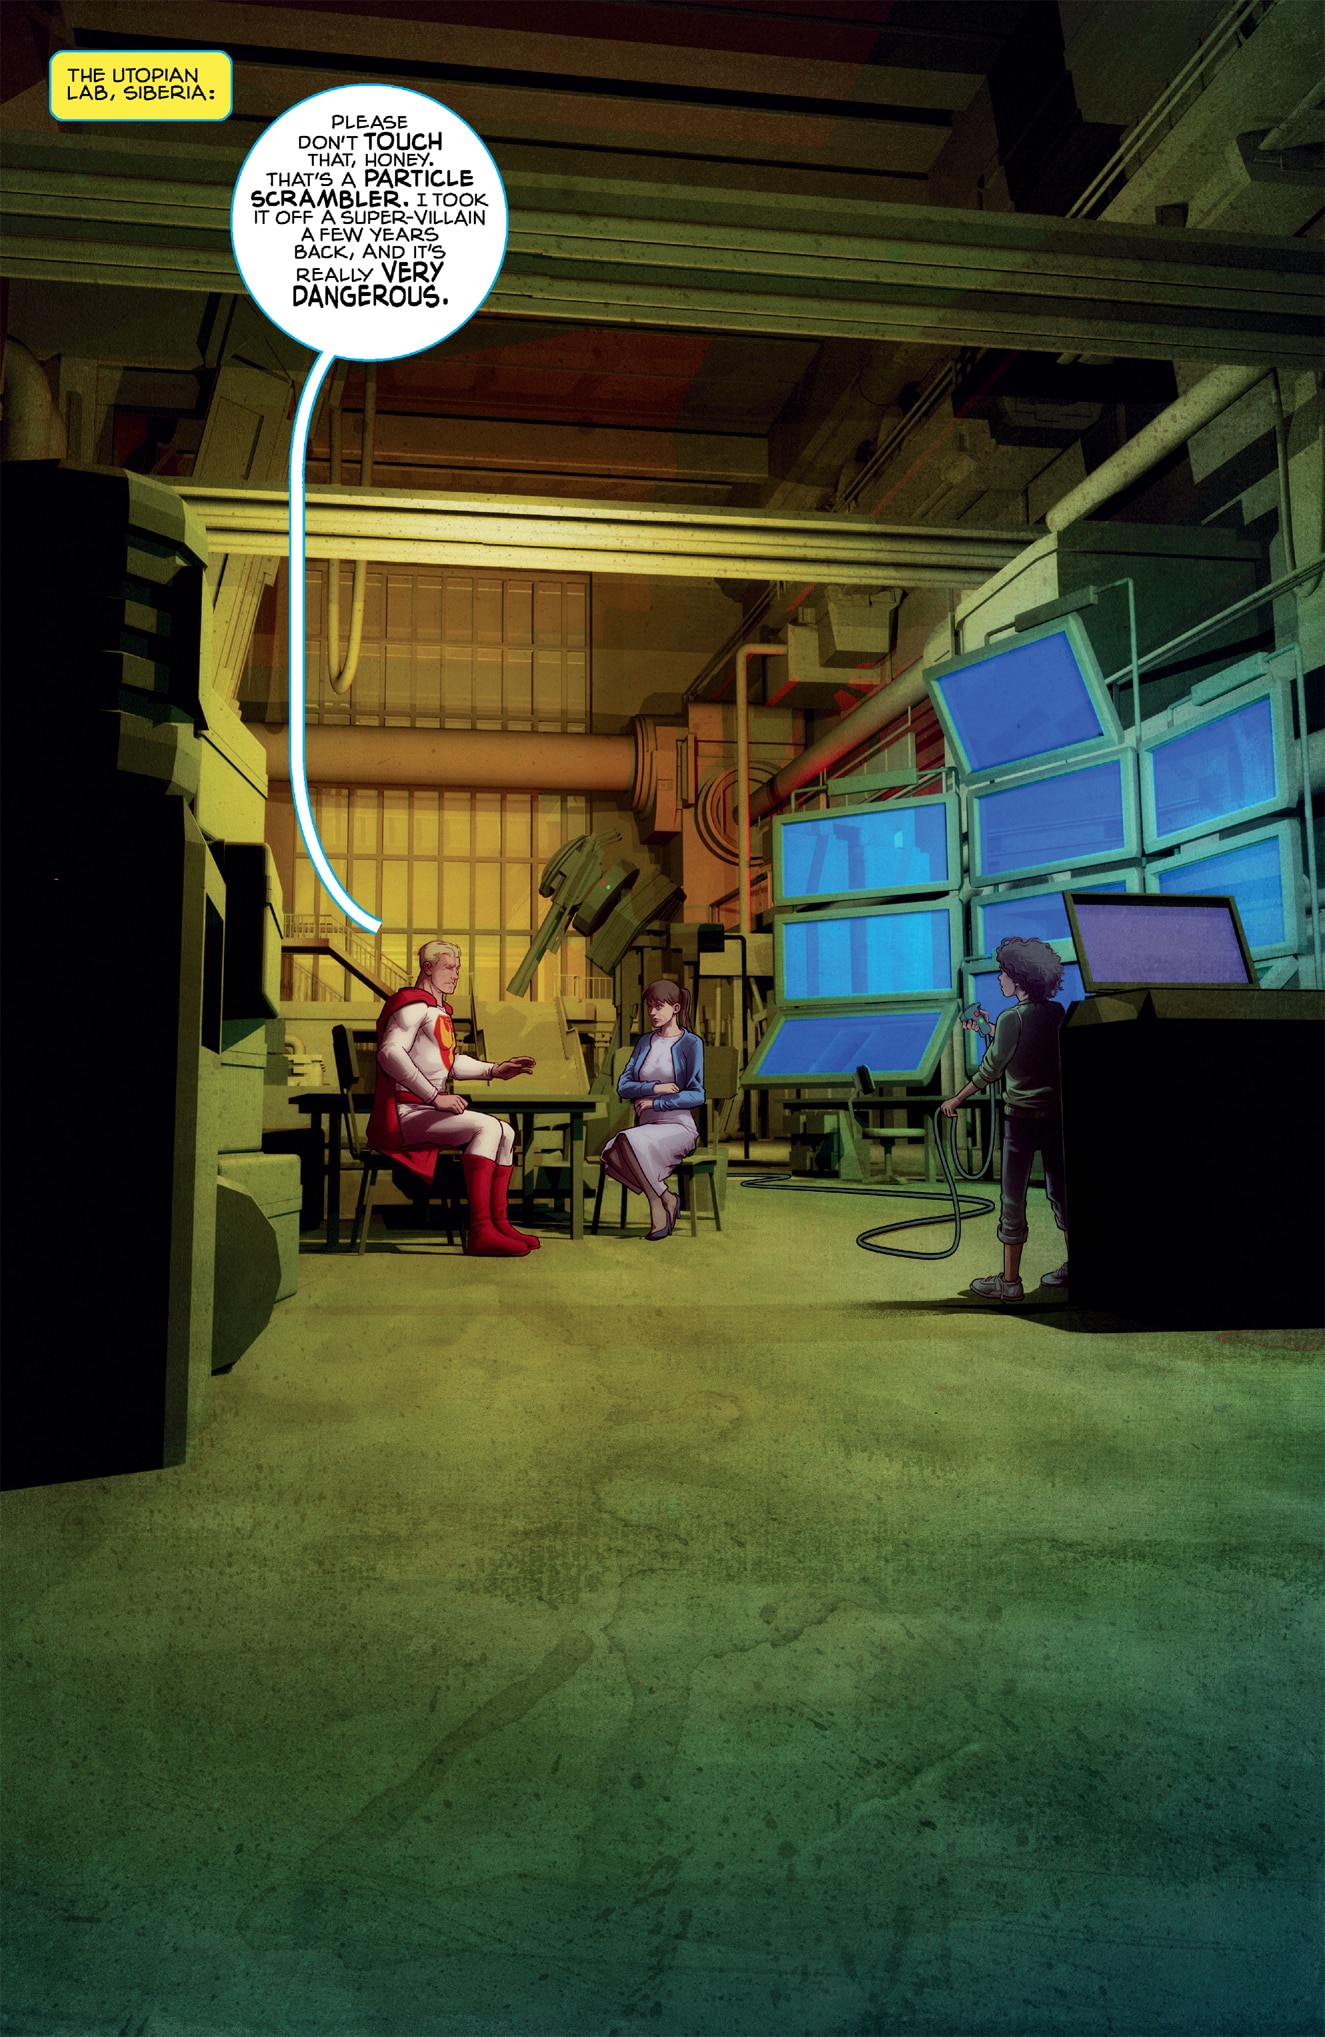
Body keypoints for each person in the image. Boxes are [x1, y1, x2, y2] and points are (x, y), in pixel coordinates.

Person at [367, 938, 539, 1258]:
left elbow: (448, 1064)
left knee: (506, 1131)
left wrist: (494, 1070)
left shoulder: (437, 1010)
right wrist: (435, 1097)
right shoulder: (412, 1007)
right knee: (488, 1128)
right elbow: (389, 1053)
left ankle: (499, 1224)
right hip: (406, 1113)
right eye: (448, 968)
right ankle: (481, 1230)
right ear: (427, 968)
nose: (455, 975)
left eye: (457, 969)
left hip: (423, 1110)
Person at [941, 935, 1069, 1301]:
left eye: (1004, 973)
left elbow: (992, 1068)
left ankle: (1010, 1282)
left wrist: (956, 1099)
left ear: (1020, 978)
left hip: (1021, 1122)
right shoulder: (1056, 1012)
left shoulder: (1011, 1017)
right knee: (1062, 1194)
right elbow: (1022, 1044)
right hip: (1055, 1119)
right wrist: (987, 1028)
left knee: (1013, 1200)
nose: (1000, 978)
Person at [600, 979, 705, 1240]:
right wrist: (656, 1088)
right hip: (646, 1128)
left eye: (659, 1006)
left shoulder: (691, 1043)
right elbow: (623, 1086)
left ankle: (657, 1205)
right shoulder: (644, 1042)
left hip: (678, 1126)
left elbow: (697, 1094)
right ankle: (665, 1197)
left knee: (625, 1141)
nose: (652, 1013)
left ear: (676, 1008)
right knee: (613, 1151)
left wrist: (655, 1102)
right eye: (649, 1007)